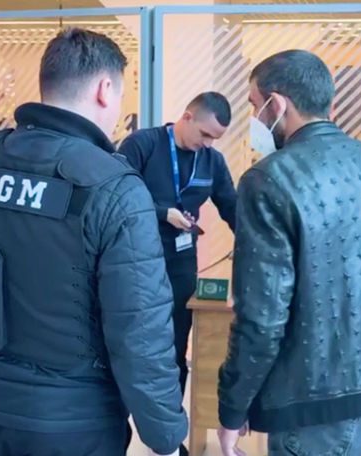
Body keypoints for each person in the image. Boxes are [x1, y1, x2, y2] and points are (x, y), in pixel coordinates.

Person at [0, 28, 187, 456]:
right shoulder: (114, 188)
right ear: (105, 90)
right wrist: (165, 436)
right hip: (76, 425)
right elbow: (139, 331)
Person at [217, 49, 361, 456]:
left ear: (277, 104)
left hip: (312, 405)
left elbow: (263, 318)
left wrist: (233, 408)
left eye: (254, 105)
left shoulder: (269, 179)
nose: (253, 118)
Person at [118, 91, 237, 400]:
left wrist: (256, 241)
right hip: (137, 258)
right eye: (205, 134)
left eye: (215, 138)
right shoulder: (142, 145)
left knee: (176, 344)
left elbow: (232, 207)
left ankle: (171, 420)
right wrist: (162, 213)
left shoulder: (212, 161)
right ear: (187, 117)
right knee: (133, 340)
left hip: (181, 261)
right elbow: (116, 198)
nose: (208, 143)